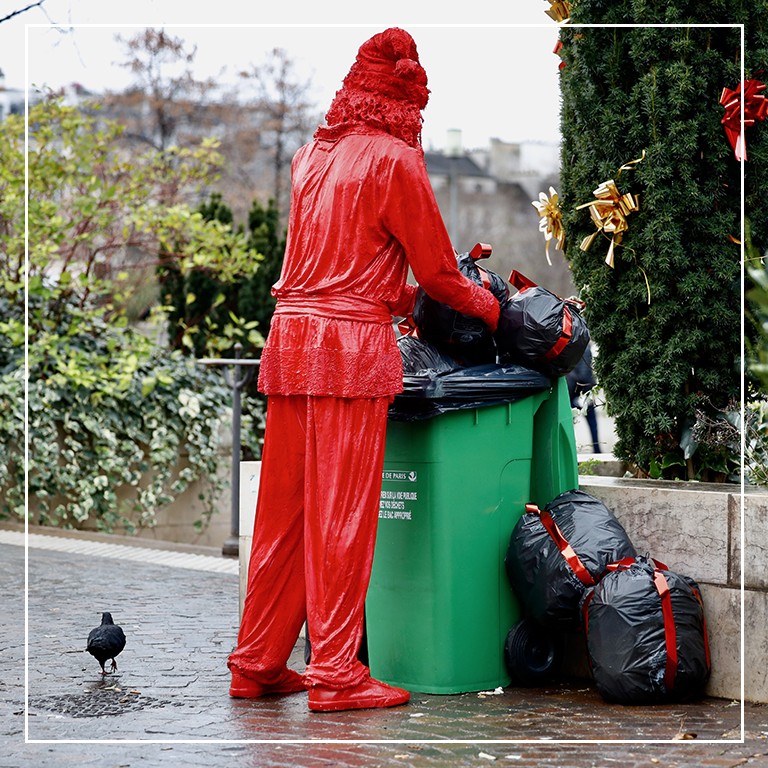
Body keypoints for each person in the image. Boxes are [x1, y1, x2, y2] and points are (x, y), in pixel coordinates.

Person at [227, 27, 500, 713]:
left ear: (352, 89)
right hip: (349, 352)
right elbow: (438, 271)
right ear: (408, 101)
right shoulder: (395, 162)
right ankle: (337, 673)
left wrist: (402, 298)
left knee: (282, 516)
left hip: (291, 341)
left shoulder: (309, 157)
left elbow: (340, 270)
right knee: (341, 517)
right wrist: (493, 310)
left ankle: (258, 660)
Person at [567, 343, 601, 454]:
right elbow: (585, 372)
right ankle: (597, 448)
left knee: (569, 422)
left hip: (573, 389)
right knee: (592, 422)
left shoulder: (569, 346)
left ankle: (570, 450)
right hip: (583, 389)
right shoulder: (585, 347)